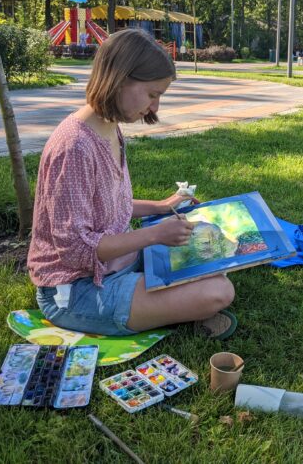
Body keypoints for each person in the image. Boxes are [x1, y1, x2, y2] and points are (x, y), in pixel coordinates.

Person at [27, 29, 236, 339]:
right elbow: (74, 250)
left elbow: (109, 206)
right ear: (121, 79)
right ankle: (166, 308)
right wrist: (152, 235)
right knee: (217, 292)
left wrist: (162, 206)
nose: (155, 108)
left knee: (219, 254)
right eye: (153, 94)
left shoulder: (109, 129)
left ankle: (161, 304)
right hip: (77, 291)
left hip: (115, 265)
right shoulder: (73, 147)